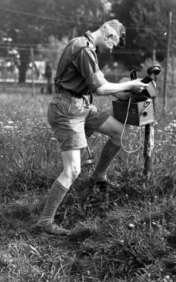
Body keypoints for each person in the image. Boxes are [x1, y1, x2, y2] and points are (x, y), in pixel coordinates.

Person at [36, 19, 148, 236]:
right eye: (114, 44)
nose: (112, 48)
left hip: (83, 106)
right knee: (72, 170)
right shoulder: (83, 49)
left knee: (120, 132)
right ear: (109, 35)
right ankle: (45, 221)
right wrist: (130, 85)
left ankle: (99, 175)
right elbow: (101, 87)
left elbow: (99, 87)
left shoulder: (88, 49)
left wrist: (131, 89)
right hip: (67, 110)